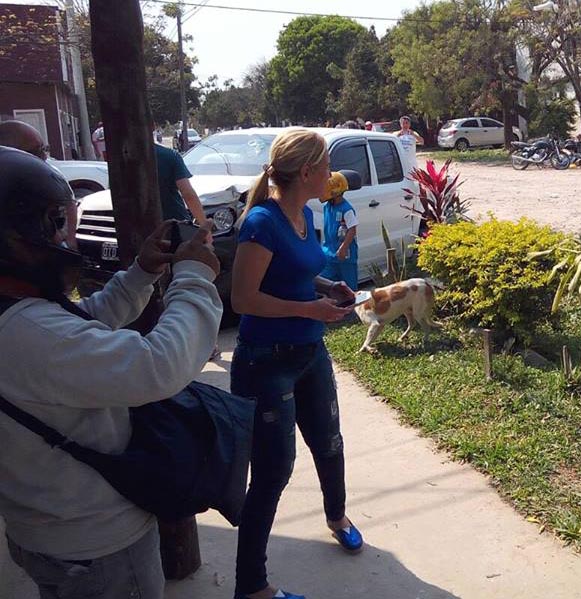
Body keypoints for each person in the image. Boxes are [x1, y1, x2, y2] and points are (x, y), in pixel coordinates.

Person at [0, 146, 222, 599]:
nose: (64, 239)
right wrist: (195, 279)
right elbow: (157, 366)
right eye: (55, 224)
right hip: (96, 545)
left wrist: (140, 273)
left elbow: (82, 325)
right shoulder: (25, 331)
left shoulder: (20, 315)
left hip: (49, 531)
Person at [230, 128, 360, 599]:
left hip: (309, 353)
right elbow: (243, 298)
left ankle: (336, 516)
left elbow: (299, 272)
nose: (332, 174)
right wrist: (310, 309)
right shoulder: (262, 223)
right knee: (272, 471)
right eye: (327, 166)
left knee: (329, 443)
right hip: (267, 361)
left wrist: (326, 289)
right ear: (307, 172)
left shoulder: (304, 213)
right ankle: (252, 587)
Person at [0, 120, 79, 249]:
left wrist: (70, 243)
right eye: (35, 152)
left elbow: (69, 205)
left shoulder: (49, 175)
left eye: (44, 149)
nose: (44, 157)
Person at [154, 133, 207, 225]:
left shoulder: (123, 159)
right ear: (153, 126)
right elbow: (188, 195)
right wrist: (205, 229)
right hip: (173, 224)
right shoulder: (169, 156)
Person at [319, 171, 359, 290]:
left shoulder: (346, 209)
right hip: (329, 253)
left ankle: (352, 308)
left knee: (349, 288)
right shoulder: (327, 207)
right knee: (326, 284)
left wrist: (344, 247)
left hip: (345, 256)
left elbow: (352, 229)